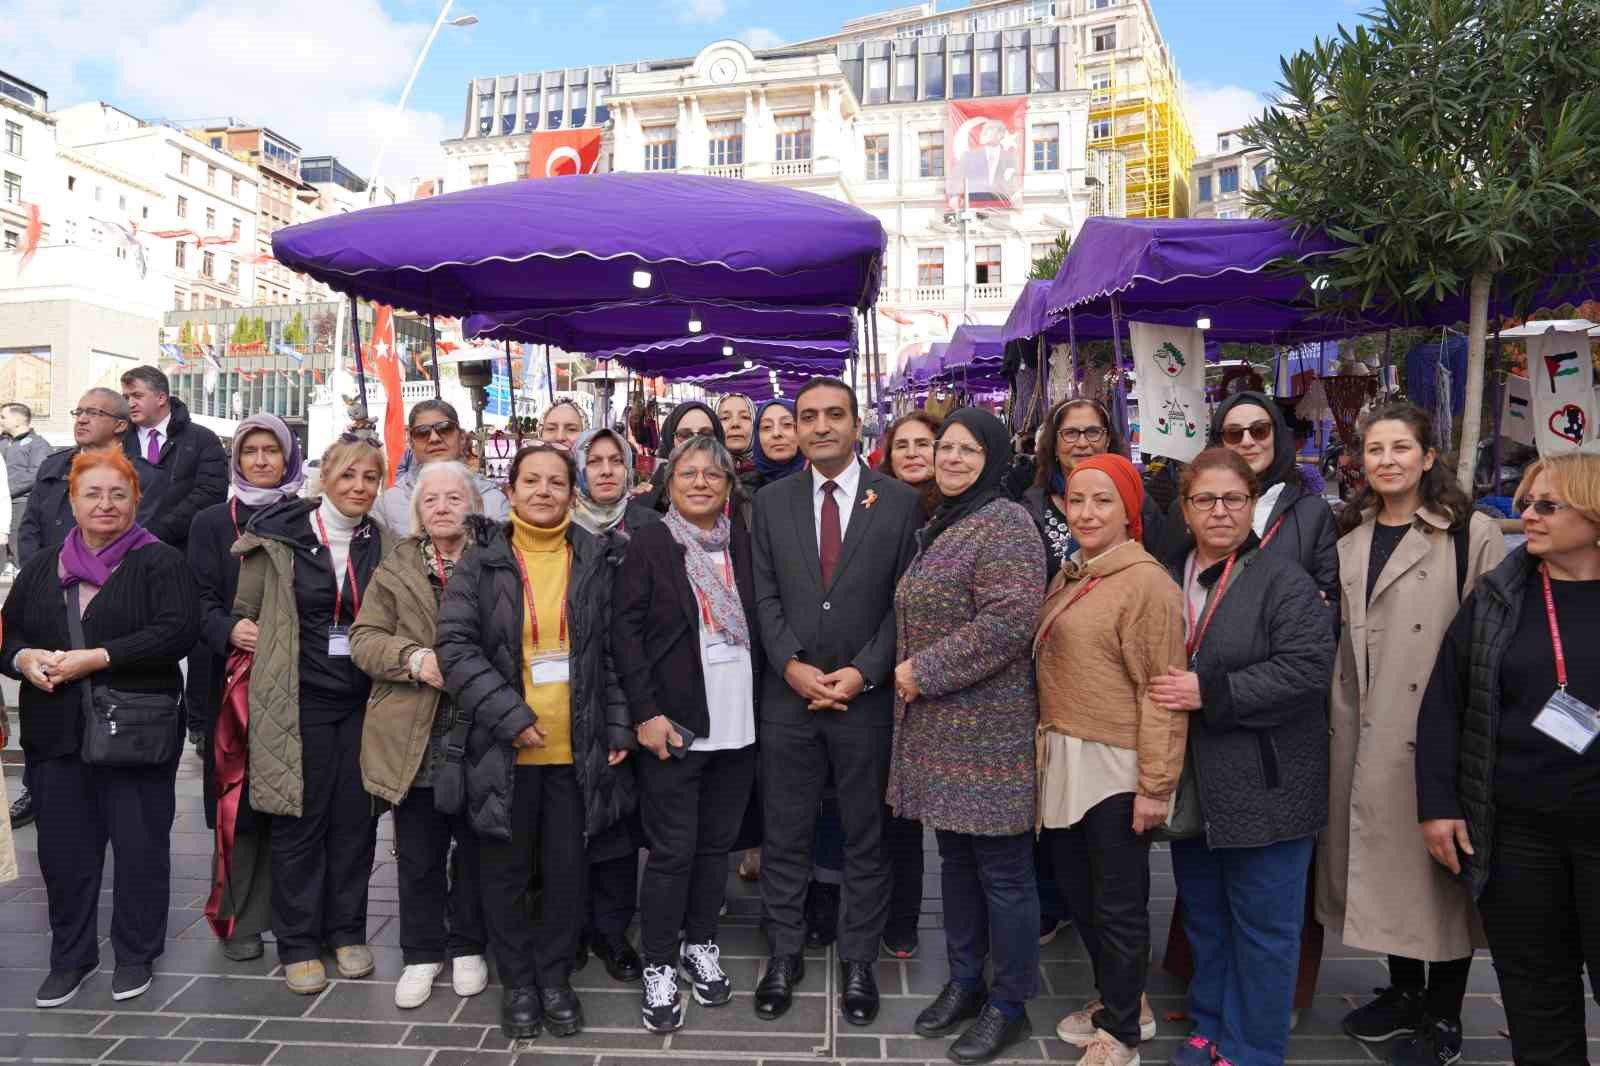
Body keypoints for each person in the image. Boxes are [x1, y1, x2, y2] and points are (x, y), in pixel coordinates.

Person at [1318, 403, 1504, 1066]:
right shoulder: (1350, 533)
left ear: (1429, 457)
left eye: (1401, 448)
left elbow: (1491, 638)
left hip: (1435, 726)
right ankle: (1403, 990)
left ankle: (1444, 1014)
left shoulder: (1469, 533)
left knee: (1439, 870)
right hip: (1361, 723)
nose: (1386, 460)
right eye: (1374, 449)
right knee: (1387, 863)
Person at [434, 442, 634, 1041]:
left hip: (577, 749)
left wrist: (618, 725)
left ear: (571, 492)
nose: (544, 491)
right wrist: (510, 716)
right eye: (532, 481)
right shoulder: (483, 562)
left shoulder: (596, 558)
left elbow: (612, 655)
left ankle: (554, 978)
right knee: (506, 871)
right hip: (506, 749)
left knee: (568, 869)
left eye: (555, 482)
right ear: (512, 490)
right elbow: (456, 649)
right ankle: (518, 981)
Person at [1150, 448, 1334, 1066]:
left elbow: (1308, 671)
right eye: (1205, 499)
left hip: (1267, 780)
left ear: (1253, 505)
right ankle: (1209, 1022)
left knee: (1264, 927)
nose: (1220, 511)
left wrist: (1212, 692)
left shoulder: (1283, 579)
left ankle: (1253, 1048)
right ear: (1185, 508)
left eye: (1234, 498)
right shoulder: (1166, 574)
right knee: (1205, 913)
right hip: (1194, 777)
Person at [1416, 453, 1600, 1065]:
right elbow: (1447, 698)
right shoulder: (1503, 594)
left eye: (1547, 506)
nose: (1528, 517)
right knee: (1535, 993)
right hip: (1519, 832)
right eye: (1526, 503)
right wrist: (1439, 804)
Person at [749, 376, 921, 1026]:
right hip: (788, 701)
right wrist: (789, 664)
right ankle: (783, 954)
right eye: (808, 416)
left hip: (863, 702)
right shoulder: (771, 502)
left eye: (833, 415)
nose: (820, 426)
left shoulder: (899, 503)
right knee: (785, 833)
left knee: (865, 837)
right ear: (795, 427)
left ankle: (857, 962)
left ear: (856, 424)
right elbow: (762, 594)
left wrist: (863, 672)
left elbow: (905, 604)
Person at [0, 449, 200, 1007]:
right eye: (92, 493)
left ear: (136, 500)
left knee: (139, 849)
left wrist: (102, 657)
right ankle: (71, 958)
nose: (105, 504)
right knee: (64, 856)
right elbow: (8, 636)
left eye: (118, 494)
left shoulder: (160, 562)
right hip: (56, 736)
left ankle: (135, 954)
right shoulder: (43, 566)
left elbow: (178, 631)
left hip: (137, 732)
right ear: (72, 500)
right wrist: (24, 660)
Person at [890, 408, 1045, 1064]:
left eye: (967, 450)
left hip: (990, 732)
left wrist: (922, 670)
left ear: (994, 456)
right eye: (944, 447)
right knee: (955, 863)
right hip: (942, 732)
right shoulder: (947, 521)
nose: (952, 459)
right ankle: (963, 981)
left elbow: (1010, 620)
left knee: (1004, 871)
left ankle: (1009, 1003)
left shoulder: (1006, 522)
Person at [1034, 452, 1185, 1066]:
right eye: (1076, 500)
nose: (1087, 512)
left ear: (1129, 511)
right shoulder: (1076, 572)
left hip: (1116, 764)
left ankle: (1121, 1032)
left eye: (1103, 501)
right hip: (1066, 755)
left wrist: (1155, 785)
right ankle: (1125, 1000)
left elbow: (1163, 690)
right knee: (1081, 892)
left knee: (1118, 902)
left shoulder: (1146, 583)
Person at [232, 435, 393, 994]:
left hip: (364, 701)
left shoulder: (386, 543)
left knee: (357, 821)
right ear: (324, 478)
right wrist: (236, 626)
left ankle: (346, 932)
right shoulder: (280, 538)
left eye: (369, 478)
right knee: (299, 820)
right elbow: (241, 609)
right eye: (347, 475)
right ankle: (298, 941)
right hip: (296, 698)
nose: (357, 487)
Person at [613, 434, 762, 1033]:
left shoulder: (745, 545)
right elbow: (625, 633)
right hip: (674, 723)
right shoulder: (650, 541)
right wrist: (644, 713)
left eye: (713, 475)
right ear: (669, 484)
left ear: (729, 486)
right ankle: (658, 963)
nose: (701, 483)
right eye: (688, 474)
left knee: (714, 847)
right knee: (672, 851)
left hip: (739, 721)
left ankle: (700, 943)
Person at [352, 461, 490, 1009]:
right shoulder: (396, 565)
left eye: (453, 497)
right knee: (418, 851)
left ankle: (469, 944)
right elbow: (364, 639)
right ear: (417, 509)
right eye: (430, 499)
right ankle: (421, 951)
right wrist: (413, 658)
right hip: (414, 728)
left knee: (479, 846)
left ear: (472, 504)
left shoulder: (495, 560)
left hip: (480, 727)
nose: (441, 507)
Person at [188, 414, 305, 964]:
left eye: (271, 451)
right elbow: (197, 598)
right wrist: (227, 628)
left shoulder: (307, 519)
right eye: (250, 451)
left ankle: (296, 915)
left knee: (291, 801)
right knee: (240, 802)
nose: (261, 461)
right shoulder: (213, 521)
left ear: (289, 457)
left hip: (296, 684)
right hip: (230, 683)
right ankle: (241, 918)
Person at [572, 425, 659, 984]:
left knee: (622, 823)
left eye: (615, 461)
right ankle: (571, 925)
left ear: (630, 469)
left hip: (637, 692)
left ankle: (612, 931)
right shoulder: (559, 527)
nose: (606, 470)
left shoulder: (651, 527)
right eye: (595, 461)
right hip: (572, 696)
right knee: (571, 820)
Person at [1027, 400, 1164, 584]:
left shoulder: (1137, 501)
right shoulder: (1031, 510)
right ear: (1054, 445)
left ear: (1107, 441)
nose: (1082, 443)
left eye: (1093, 432)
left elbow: (1162, 566)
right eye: (1070, 433)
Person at [17, 389, 136, 565]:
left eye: (94, 413)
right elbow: (30, 527)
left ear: (120, 425)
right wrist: (37, 574)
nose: (82, 419)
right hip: (49, 577)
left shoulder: (138, 472)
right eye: (79, 412)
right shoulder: (53, 466)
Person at [119, 365, 227, 551]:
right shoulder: (117, 441)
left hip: (181, 553)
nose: (130, 403)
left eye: (137, 396)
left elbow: (210, 494)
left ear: (161, 398)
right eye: (126, 397)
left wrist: (157, 532)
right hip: (122, 551)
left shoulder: (202, 439)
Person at [374, 399, 509, 531]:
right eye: (422, 432)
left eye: (445, 429)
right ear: (412, 444)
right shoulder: (389, 504)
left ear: (462, 438)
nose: (434, 438)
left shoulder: (492, 499)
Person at [1, 401, 54, 574]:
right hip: (4, 504)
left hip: (20, 504)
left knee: (19, 550)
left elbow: (36, 474)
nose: (0, 420)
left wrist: (6, 492)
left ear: (17, 420)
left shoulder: (38, 445)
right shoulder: (3, 443)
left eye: (3, 417)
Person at [880, 411, 942, 518]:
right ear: (890, 457)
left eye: (922, 444)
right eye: (901, 446)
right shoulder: (872, 503)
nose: (911, 453)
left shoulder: (960, 507)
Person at [745, 399, 805, 495]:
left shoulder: (822, 482)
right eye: (767, 427)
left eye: (787, 424)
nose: (776, 433)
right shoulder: (743, 489)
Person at [718, 393, 757, 476]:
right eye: (725, 418)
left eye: (745, 417)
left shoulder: (772, 472)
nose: (735, 424)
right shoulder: (703, 474)